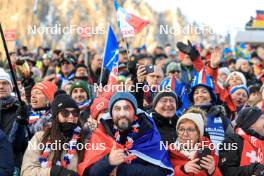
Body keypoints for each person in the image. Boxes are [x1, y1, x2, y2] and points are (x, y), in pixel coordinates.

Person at [78, 92, 174, 176]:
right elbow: (89, 173)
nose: (122, 113)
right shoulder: (100, 133)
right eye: (117, 109)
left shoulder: (148, 132)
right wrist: (108, 162)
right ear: (111, 114)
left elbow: (162, 171)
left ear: (134, 112)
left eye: (127, 108)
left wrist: (123, 170)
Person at [21, 92, 85, 176]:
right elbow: (27, 172)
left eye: (75, 112)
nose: (71, 116)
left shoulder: (83, 140)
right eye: (65, 113)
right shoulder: (40, 138)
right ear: (56, 116)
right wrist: (52, 172)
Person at [169, 109, 222, 176]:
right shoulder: (168, 154)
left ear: (199, 133)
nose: (185, 134)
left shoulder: (211, 155)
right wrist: (183, 170)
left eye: (190, 130)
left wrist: (213, 171)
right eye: (181, 129)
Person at [219, 107, 264, 176]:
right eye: (262, 117)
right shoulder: (231, 141)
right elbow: (227, 171)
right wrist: (254, 169)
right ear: (250, 124)